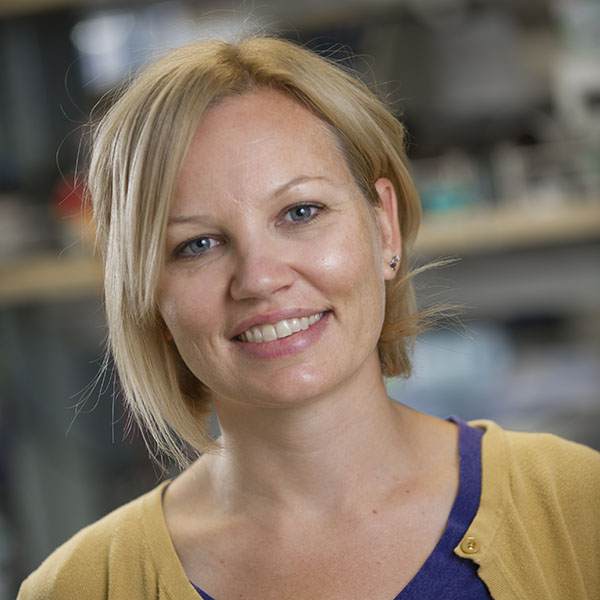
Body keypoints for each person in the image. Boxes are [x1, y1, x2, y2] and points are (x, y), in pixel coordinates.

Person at [18, 36, 599, 600]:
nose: (261, 278)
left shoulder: (578, 506)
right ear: (150, 298)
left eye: (301, 211)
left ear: (384, 227)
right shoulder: (79, 587)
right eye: (196, 244)